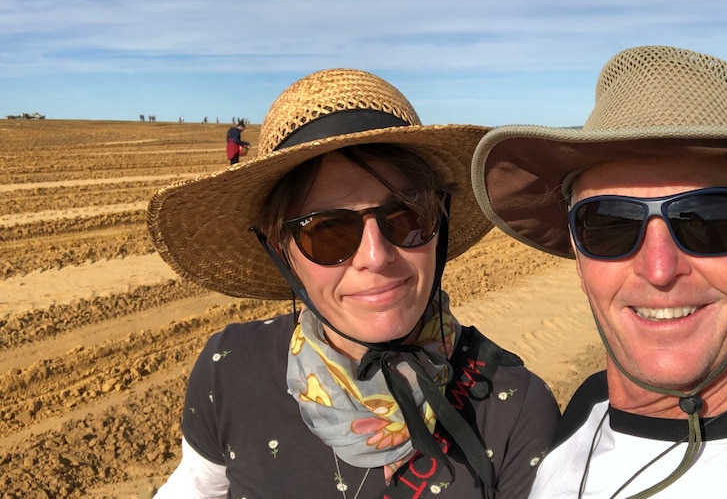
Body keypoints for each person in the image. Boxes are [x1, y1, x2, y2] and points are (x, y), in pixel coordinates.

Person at [471, 45, 727, 498]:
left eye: (713, 220)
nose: (659, 269)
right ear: (579, 257)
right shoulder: (588, 403)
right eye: (610, 224)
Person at [149, 68, 559, 498]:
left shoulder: (514, 410)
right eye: (328, 231)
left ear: (442, 219)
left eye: (408, 217)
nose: (376, 257)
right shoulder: (231, 369)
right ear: (280, 248)